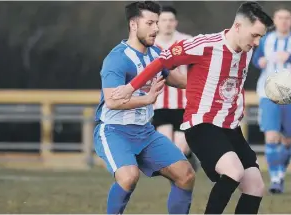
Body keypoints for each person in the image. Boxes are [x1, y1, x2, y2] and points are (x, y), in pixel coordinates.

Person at [110, 2, 273, 214]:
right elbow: (161, 62)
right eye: (255, 35)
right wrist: (130, 88)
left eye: (261, 37)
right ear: (238, 26)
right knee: (233, 171)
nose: (257, 42)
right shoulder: (204, 45)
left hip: (231, 128)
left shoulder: (246, 49)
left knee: (255, 187)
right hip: (202, 125)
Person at [93, 1, 195, 214]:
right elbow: (112, 101)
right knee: (129, 177)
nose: (156, 28)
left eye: (156, 23)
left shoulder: (156, 52)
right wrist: (146, 100)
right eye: (150, 23)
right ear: (133, 24)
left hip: (145, 131)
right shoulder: (117, 59)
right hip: (114, 131)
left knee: (186, 175)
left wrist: (210, 79)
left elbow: (177, 79)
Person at [252, 7, 291, 194]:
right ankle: (275, 177)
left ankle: (281, 171)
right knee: (271, 135)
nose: (283, 21)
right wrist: (259, 62)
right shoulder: (265, 39)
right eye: (280, 18)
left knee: (287, 138)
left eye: (287, 18)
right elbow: (255, 59)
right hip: (268, 92)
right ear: (274, 20)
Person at [152, 5, 199, 171]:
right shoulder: (151, 43)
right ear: (157, 23)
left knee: (180, 148)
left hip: (184, 104)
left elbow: (199, 66)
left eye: (171, 20)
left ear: (176, 22)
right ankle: (176, 175)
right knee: (166, 146)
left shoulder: (187, 41)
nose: (167, 24)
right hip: (159, 103)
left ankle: (187, 156)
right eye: (164, 20)